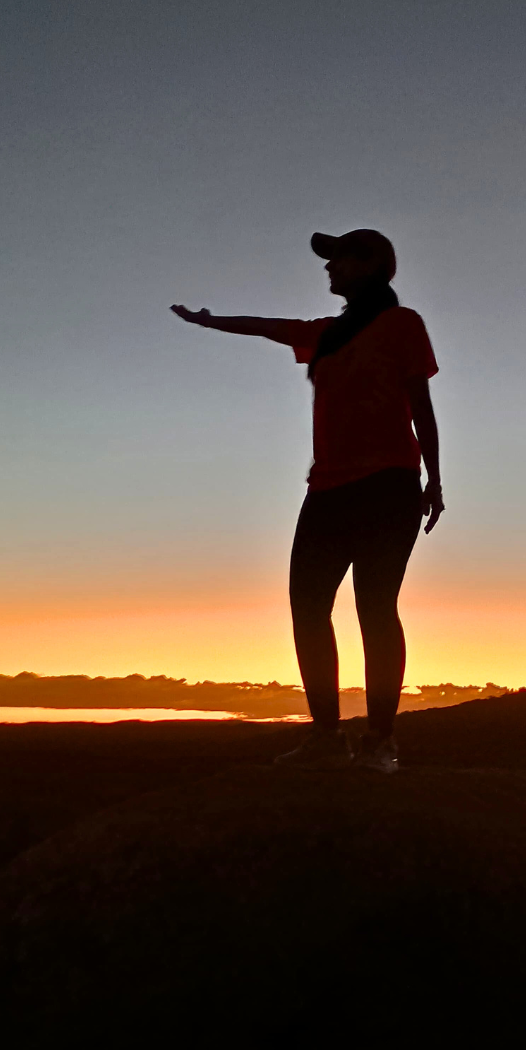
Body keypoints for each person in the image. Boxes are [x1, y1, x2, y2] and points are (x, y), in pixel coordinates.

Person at [171, 229, 443, 774]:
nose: (328, 269)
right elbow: (267, 327)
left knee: (375, 607)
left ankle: (381, 741)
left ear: (370, 264)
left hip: (388, 484)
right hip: (327, 489)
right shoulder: (326, 334)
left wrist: (434, 479)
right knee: (308, 608)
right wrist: (210, 321)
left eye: (338, 258)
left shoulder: (402, 323)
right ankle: (326, 736)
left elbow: (421, 403)